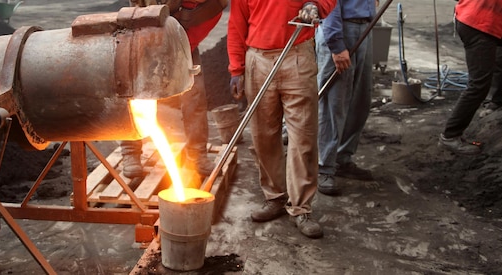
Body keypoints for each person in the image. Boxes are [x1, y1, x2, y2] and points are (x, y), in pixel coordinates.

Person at [227, 0, 336, 238]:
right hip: (258, 59)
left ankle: (300, 208)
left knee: (303, 136)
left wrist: (315, 6)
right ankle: (275, 197)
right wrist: (236, 68)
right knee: (263, 135)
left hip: (297, 54)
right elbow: (236, 24)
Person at [121, 0, 227, 178]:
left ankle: (197, 155)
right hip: (142, 35)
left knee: (195, 95)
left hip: (184, 41)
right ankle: (130, 152)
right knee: (134, 94)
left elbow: (194, 34)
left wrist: (179, 50)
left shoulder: (214, 7)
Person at [315, 0, 376, 196]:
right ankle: (324, 166)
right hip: (340, 29)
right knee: (334, 105)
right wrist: (335, 43)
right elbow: (328, 5)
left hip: (365, 27)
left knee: (360, 101)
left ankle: (342, 158)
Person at [438, 0, 502, 155]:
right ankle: (450, 136)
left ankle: (496, 100)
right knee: (479, 85)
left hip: (477, 17)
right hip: (479, 25)